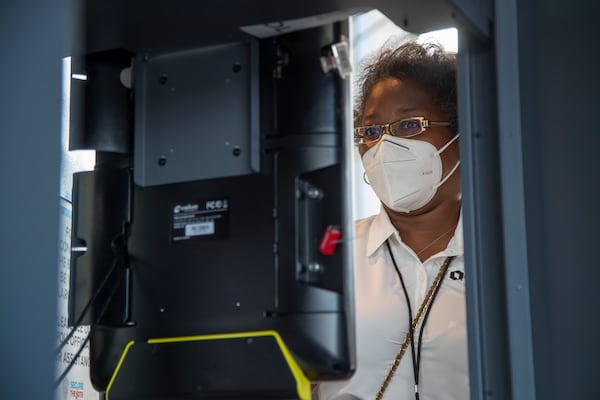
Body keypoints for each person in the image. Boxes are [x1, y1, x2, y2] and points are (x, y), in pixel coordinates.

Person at [316, 41, 468, 399]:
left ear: (464, 135)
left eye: (409, 125)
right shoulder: (331, 260)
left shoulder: (510, 259)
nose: (385, 145)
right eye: (371, 132)